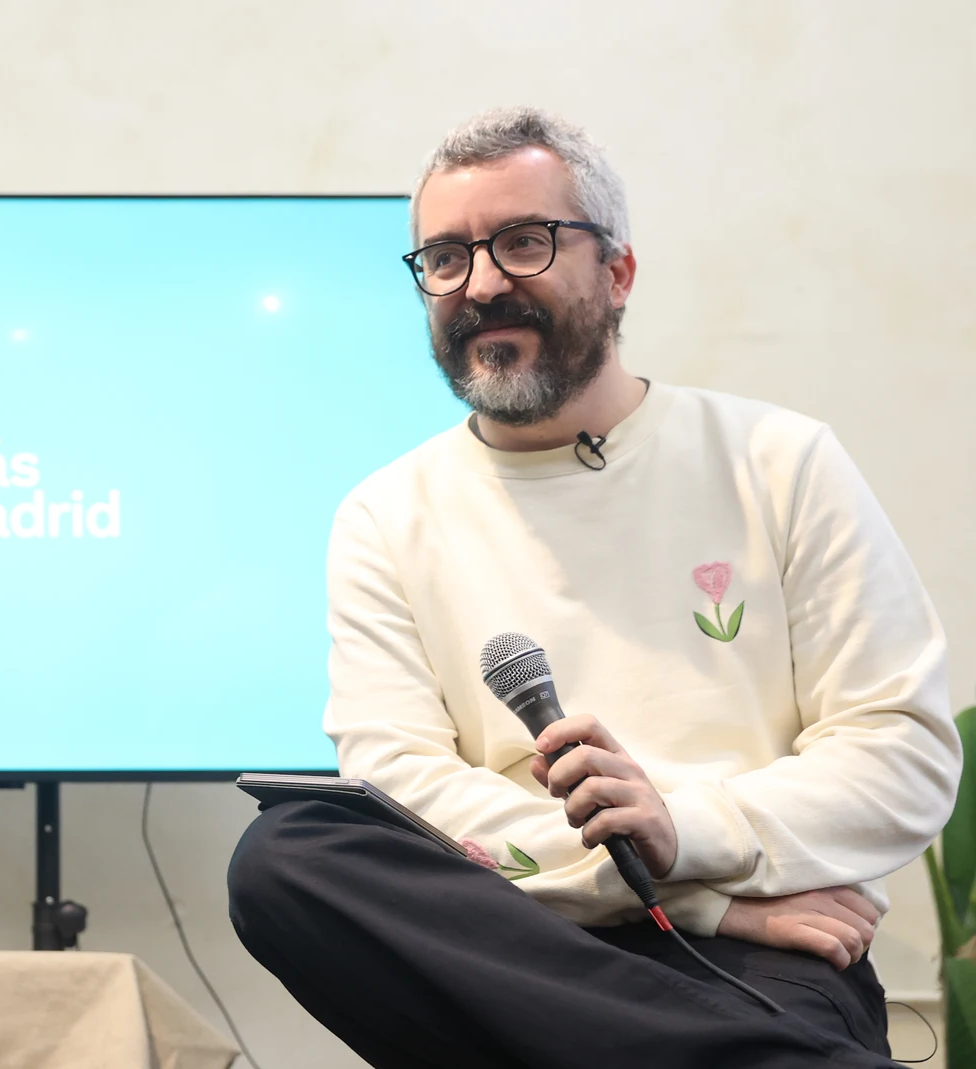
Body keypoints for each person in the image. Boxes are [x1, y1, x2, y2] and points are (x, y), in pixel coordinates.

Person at [226, 107, 957, 1068]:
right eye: (445, 258)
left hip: (752, 963)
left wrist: (686, 827)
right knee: (287, 859)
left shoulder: (778, 461)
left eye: (523, 242)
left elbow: (900, 755)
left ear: (617, 272)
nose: (480, 282)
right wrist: (685, 884)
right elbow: (404, 795)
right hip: (510, 946)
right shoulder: (385, 514)